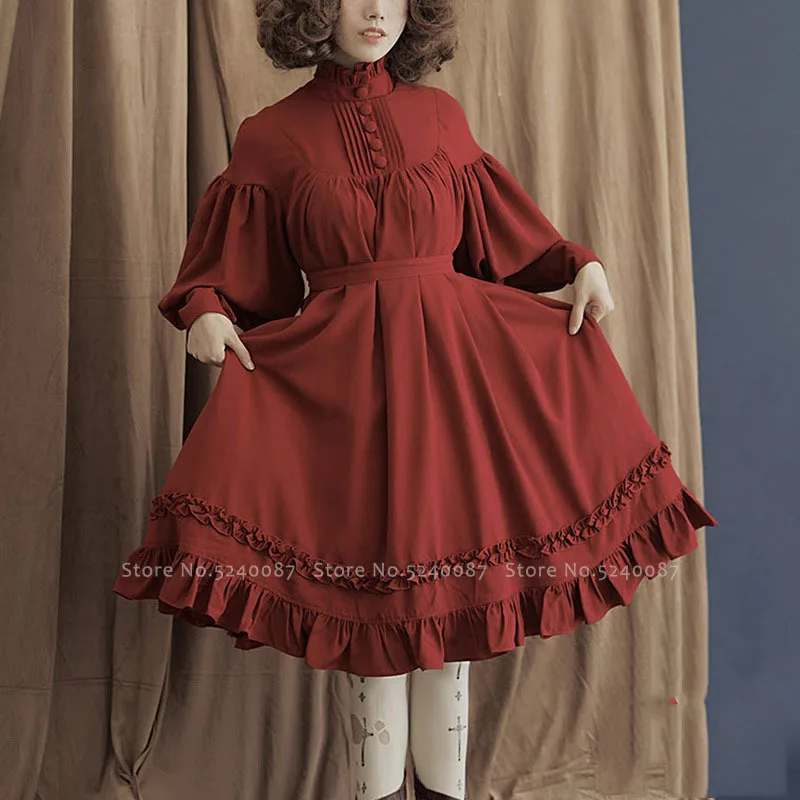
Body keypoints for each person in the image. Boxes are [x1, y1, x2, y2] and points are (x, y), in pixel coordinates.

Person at [112, 1, 718, 798]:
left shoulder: (440, 116)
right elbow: (236, 271)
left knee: (449, 636)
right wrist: (207, 310)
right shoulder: (270, 135)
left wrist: (577, 266)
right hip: (347, 404)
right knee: (375, 637)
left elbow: (503, 237)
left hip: (455, 390)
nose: (376, 11)